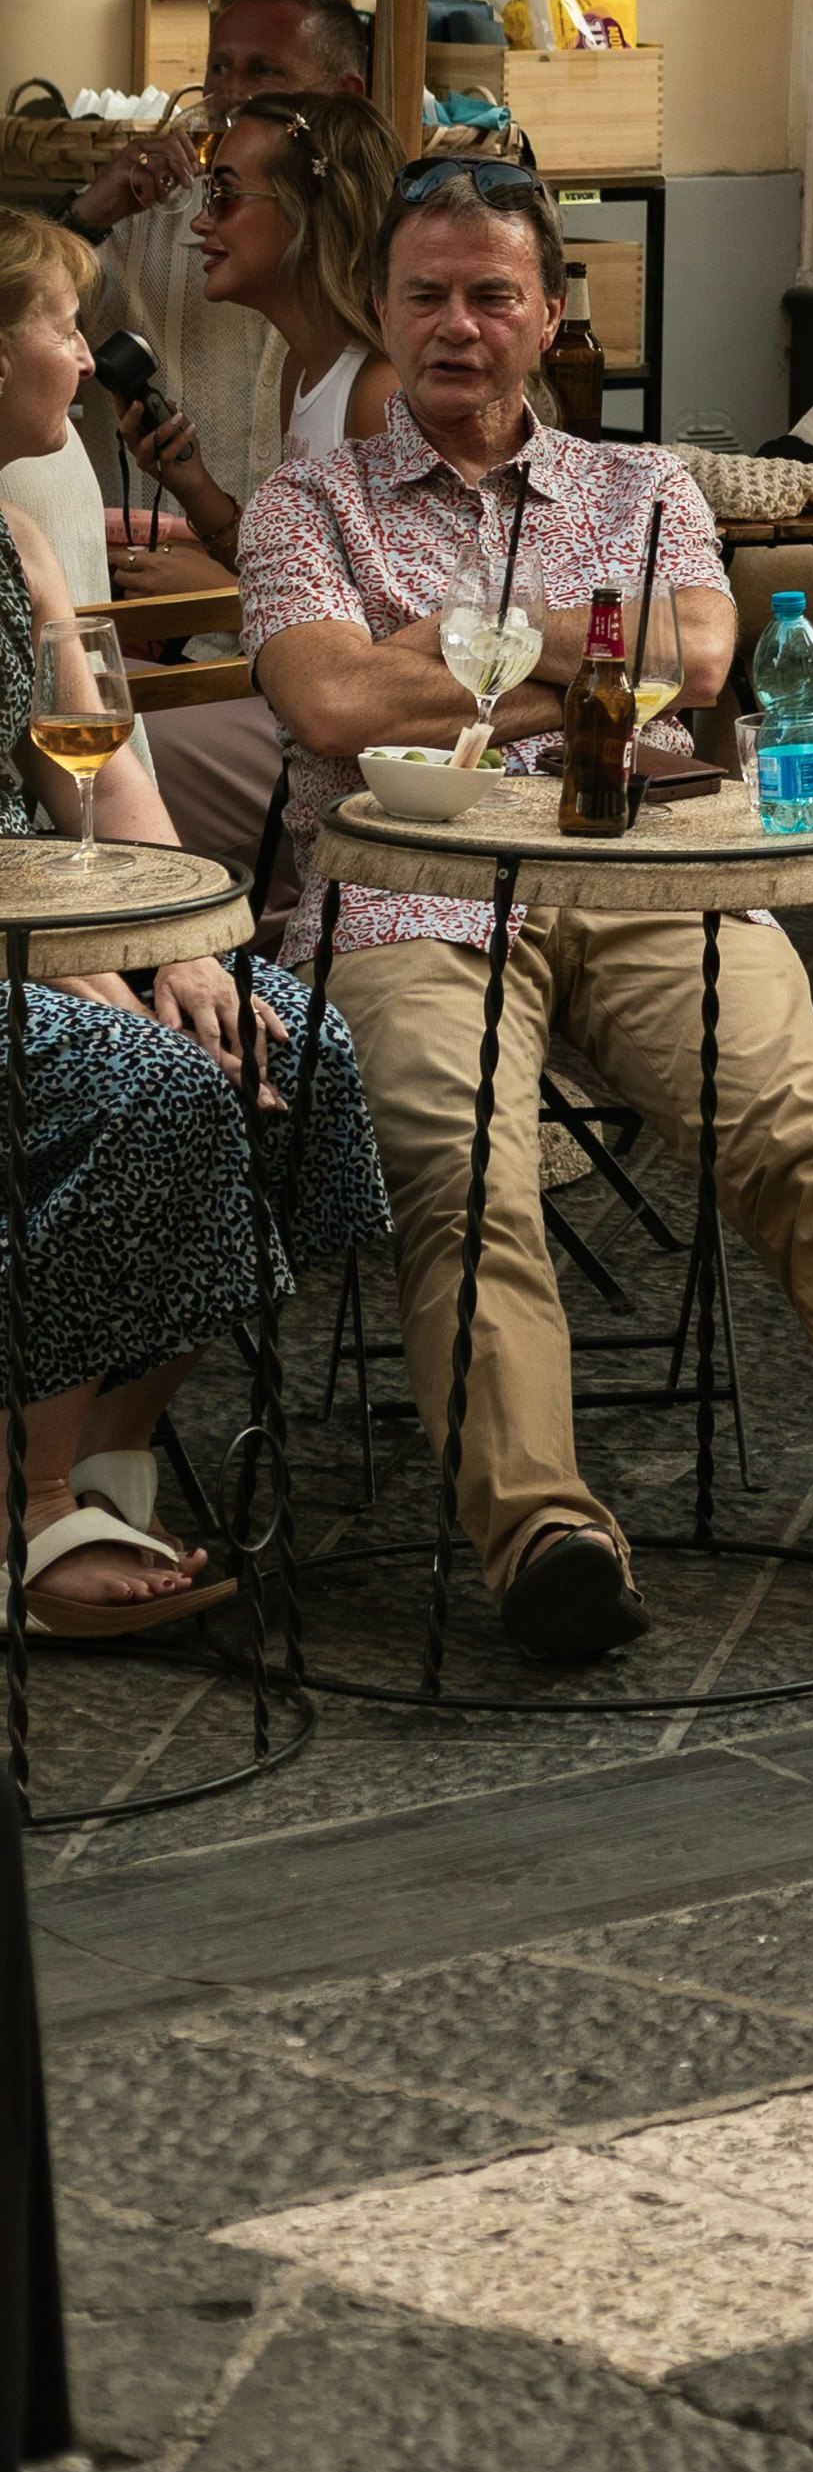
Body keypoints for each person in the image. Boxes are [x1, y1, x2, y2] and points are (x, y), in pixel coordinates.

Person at [243, 158, 813, 1664]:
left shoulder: (644, 484)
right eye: (425, 296)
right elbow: (331, 702)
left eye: (490, 296)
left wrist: (464, 646)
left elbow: (709, 663)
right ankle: (547, 1533)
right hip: (411, 899)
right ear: (386, 311)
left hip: (656, 883)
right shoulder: (307, 501)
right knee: (471, 1176)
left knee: (806, 1148)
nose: (454, 326)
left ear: (547, 318)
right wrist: (591, 656)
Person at [0, 212, 385, 1642]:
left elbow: (109, 788)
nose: (86, 358)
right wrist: (99, 977)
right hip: (18, 953)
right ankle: (30, 1512)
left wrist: (186, 952)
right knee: (148, 1083)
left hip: (61, 932)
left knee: (298, 1053)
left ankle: (109, 1436)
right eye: (58, 324)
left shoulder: (22, 540)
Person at [67, 0, 369, 543]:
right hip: (152, 614)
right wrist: (88, 211)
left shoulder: (385, 305)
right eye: (219, 68)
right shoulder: (131, 226)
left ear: (345, 95)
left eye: (263, 71)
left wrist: (222, 594)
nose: (229, 95)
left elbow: (377, 595)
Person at [105, 94, 400, 565]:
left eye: (225, 196)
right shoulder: (300, 368)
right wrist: (193, 484)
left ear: (311, 212)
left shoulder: (379, 395)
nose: (201, 222)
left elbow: (397, 610)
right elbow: (292, 567)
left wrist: (229, 597)